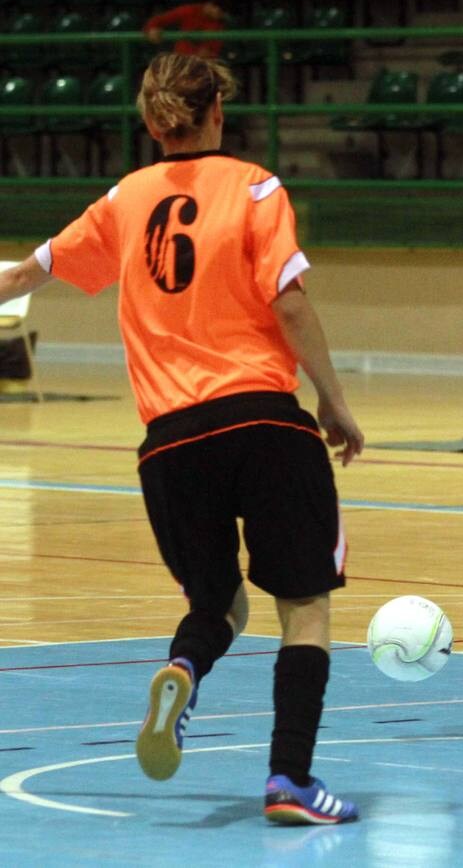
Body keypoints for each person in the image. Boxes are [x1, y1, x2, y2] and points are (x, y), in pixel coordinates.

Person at [0, 54, 365, 821]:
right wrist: (333, 401)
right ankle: (290, 780)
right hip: (262, 420)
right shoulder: (257, 186)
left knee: (217, 601)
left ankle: (184, 668)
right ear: (217, 114)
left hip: (169, 440)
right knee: (302, 607)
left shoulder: (125, 198)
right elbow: (289, 306)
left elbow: (22, 275)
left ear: (150, 122)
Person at [144, 0, 234, 59]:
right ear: (212, 4)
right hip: (181, 63)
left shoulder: (221, 24)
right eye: (222, 11)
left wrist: (208, 54)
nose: (223, 15)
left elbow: (213, 51)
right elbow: (158, 20)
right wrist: (152, 28)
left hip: (204, 69)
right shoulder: (190, 11)